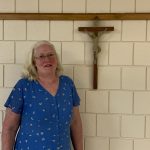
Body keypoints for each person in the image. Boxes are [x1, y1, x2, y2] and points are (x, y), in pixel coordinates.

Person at [2, 40, 83, 150]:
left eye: (50, 55)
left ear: (56, 59)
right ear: (34, 62)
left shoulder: (67, 84)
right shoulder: (24, 86)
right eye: (41, 56)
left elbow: (75, 123)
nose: (47, 59)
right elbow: (9, 128)